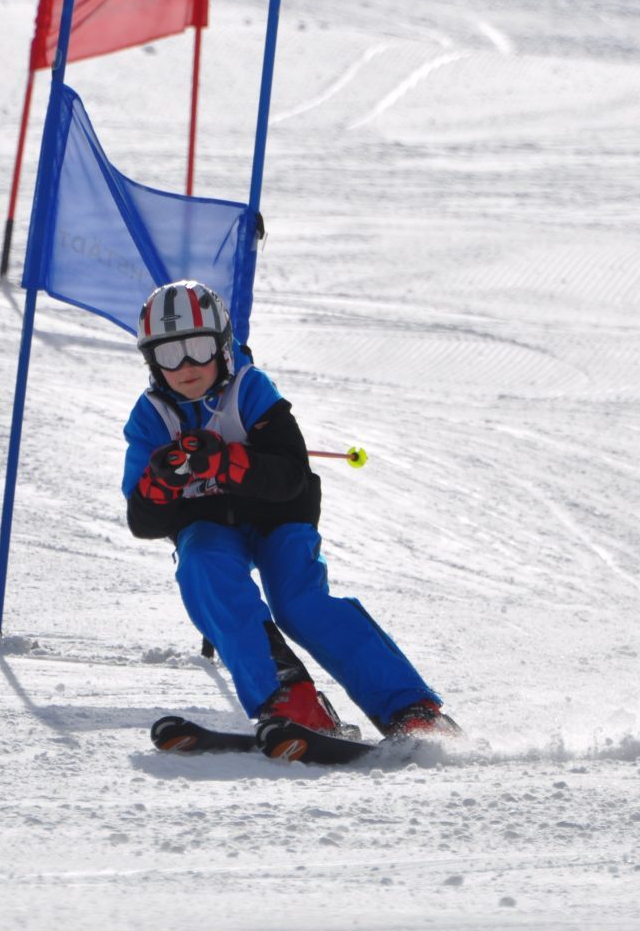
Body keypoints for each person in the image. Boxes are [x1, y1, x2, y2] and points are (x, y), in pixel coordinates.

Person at [121, 278, 457, 739]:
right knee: (202, 567)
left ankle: (411, 708)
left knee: (299, 602)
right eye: (168, 354)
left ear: (222, 346)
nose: (186, 366)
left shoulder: (250, 389)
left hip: (277, 512)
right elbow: (143, 521)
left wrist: (226, 462)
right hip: (208, 521)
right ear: (151, 361)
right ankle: (291, 699)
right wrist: (162, 482)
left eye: (198, 347)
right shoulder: (151, 418)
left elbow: (291, 476)